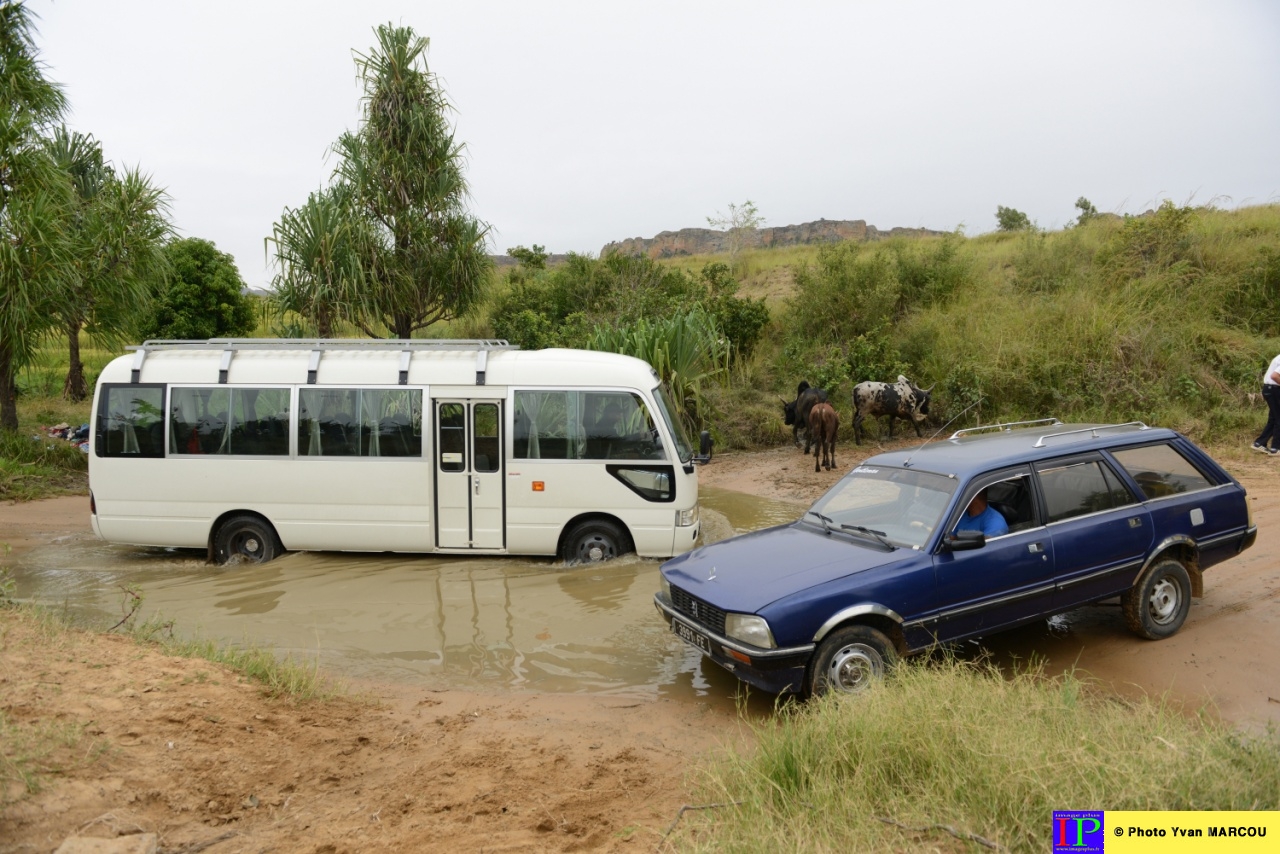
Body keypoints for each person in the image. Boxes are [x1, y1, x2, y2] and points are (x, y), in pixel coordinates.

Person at [1253, 353, 1280, 455]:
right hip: (1274, 390)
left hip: (1269, 389)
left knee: (1274, 418)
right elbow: (1275, 376)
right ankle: (1276, 448)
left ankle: (1259, 443)